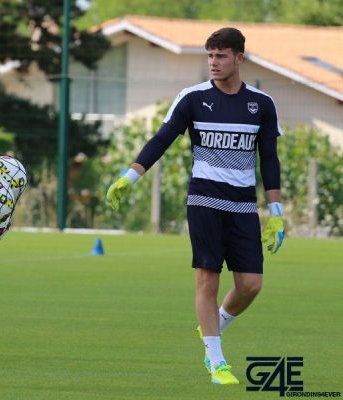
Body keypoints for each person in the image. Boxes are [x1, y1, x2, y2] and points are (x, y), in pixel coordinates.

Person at [106, 27, 285, 385]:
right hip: (203, 200)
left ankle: (212, 327)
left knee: (251, 284)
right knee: (208, 278)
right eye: (209, 56)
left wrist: (277, 211)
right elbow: (161, 139)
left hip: (243, 206)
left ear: (239, 58)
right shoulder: (192, 98)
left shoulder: (261, 105)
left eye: (220, 56)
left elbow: (268, 158)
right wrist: (130, 176)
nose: (213, 63)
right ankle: (216, 359)